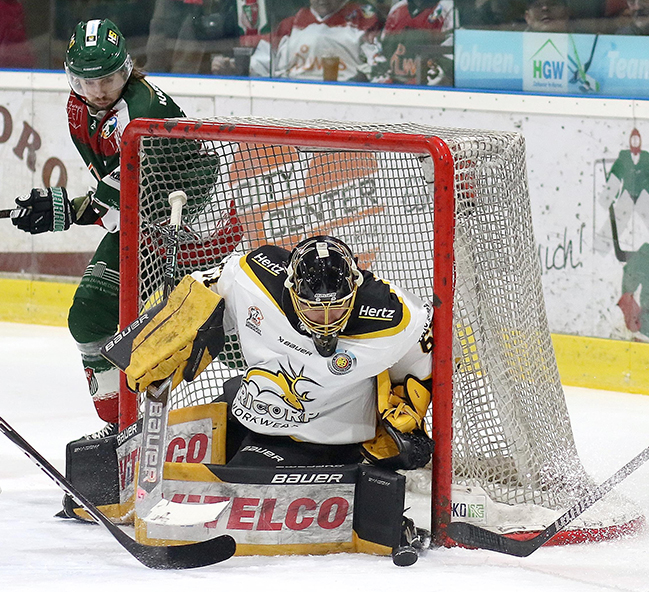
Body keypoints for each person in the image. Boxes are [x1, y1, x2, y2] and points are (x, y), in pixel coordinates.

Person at [114, 234, 434, 562]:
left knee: (234, 492)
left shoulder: (392, 316)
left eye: (336, 307)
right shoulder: (254, 279)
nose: (326, 320)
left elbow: (424, 351)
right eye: (312, 307)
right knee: (146, 457)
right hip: (248, 412)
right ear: (292, 290)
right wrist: (181, 318)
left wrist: (408, 415)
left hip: (323, 439)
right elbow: (209, 283)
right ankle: (109, 484)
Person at [8, 19, 188, 519]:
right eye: (85, 80)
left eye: (106, 79)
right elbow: (114, 190)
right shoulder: (78, 108)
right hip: (142, 221)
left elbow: (123, 193)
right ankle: (122, 430)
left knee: (206, 335)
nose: (96, 89)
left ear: (125, 71)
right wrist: (63, 208)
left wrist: (63, 210)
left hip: (190, 225)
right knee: (91, 318)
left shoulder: (142, 111)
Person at [244, 0, 382, 81]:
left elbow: (379, 71)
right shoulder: (289, 26)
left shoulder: (364, 23)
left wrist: (357, 85)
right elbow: (259, 67)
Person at [370, 0, 455, 86]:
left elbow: (448, 58)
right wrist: (385, 83)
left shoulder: (447, 9)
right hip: (396, 88)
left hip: (428, 90)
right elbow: (382, 52)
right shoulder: (397, 9)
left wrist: (420, 82)